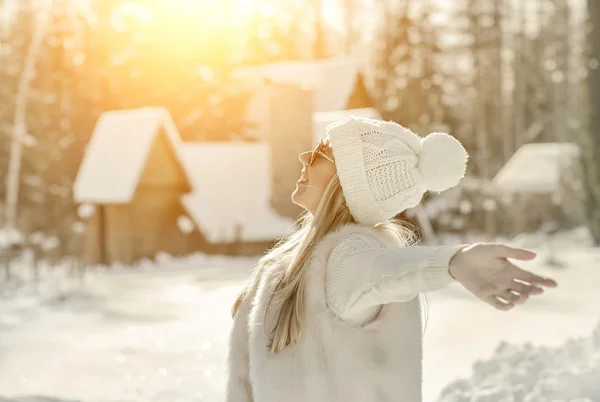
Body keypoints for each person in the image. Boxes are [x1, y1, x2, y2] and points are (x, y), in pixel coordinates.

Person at [225, 117, 557, 402]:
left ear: (348, 182)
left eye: (320, 153)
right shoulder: (287, 262)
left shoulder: (345, 255)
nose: (304, 157)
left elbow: (385, 273)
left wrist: (451, 262)